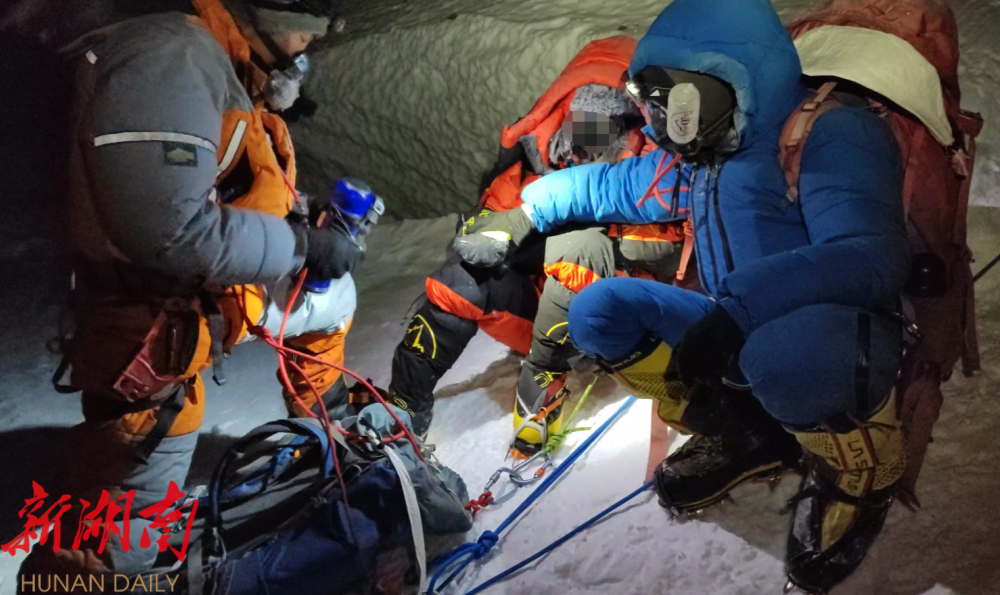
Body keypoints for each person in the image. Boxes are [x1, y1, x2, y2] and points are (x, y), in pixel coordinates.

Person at [455, 0, 910, 591]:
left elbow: (869, 257)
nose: (664, 122)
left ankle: (863, 468)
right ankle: (744, 427)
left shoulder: (833, 132)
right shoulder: (711, 157)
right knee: (600, 311)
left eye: (674, 101)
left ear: (731, 78)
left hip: (826, 332)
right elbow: (613, 184)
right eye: (655, 104)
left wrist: (741, 309)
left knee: (781, 355)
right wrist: (523, 213)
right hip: (738, 322)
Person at [27, 0, 371, 578]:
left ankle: (326, 432)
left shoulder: (222, 63)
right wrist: (299, 246)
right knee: (127, 524)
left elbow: (229, 188)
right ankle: (78, 572)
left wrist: (304, 225)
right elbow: (164, 228)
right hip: (150, 322)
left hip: (208, 291)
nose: (308, 48)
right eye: (306, 32)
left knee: (331, 301)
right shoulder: (171, 57)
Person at [387, 36, 687, 455]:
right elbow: (487, 220)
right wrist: (498, 236)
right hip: (540, 316)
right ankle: (403, 410)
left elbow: (670, 248)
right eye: (581, 115)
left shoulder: (655, 174)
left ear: (630, 120)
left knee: (578, 248)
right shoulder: (536, 165)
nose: (588, 133)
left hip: (620, 322)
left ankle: (540, 409)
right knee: (462, 278)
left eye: (606, 118)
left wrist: (592, 233)